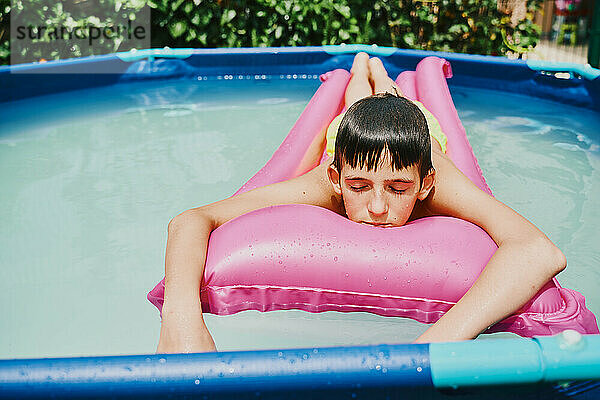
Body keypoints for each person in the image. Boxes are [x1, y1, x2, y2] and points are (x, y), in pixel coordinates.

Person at [156, 52, 566, 353]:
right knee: (356, 100)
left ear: (424, 185)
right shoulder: (326, 181)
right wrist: (181, 318)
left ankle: (379, 75)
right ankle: (362, 68)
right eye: (359, 186)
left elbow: (539, 250)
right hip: (348, 135)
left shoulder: (439, 179)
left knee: (391, 97)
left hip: (420, 130)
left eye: (399, 189)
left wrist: (434, 344)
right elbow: (192, 219)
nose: (376, 207)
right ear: (337, 179)